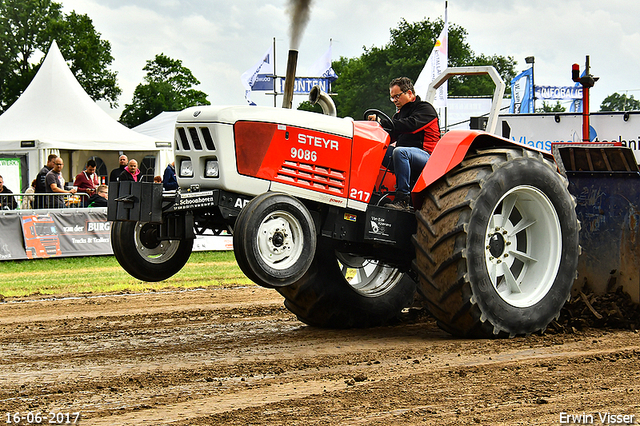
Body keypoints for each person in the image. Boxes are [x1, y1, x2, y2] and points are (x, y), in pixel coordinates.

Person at [369, 76, 440, 211]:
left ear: (409, 93)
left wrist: (382, 121)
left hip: (428, 158)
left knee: (400, 152)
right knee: (376, 150)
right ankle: (368, 191)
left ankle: (403, 199)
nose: (394, 100)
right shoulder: (398, 116)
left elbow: (411, 125)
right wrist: (374, 128)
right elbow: (390, 136)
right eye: (392, 98)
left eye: (397, 96)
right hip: (406, 156)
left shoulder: (425, 109)